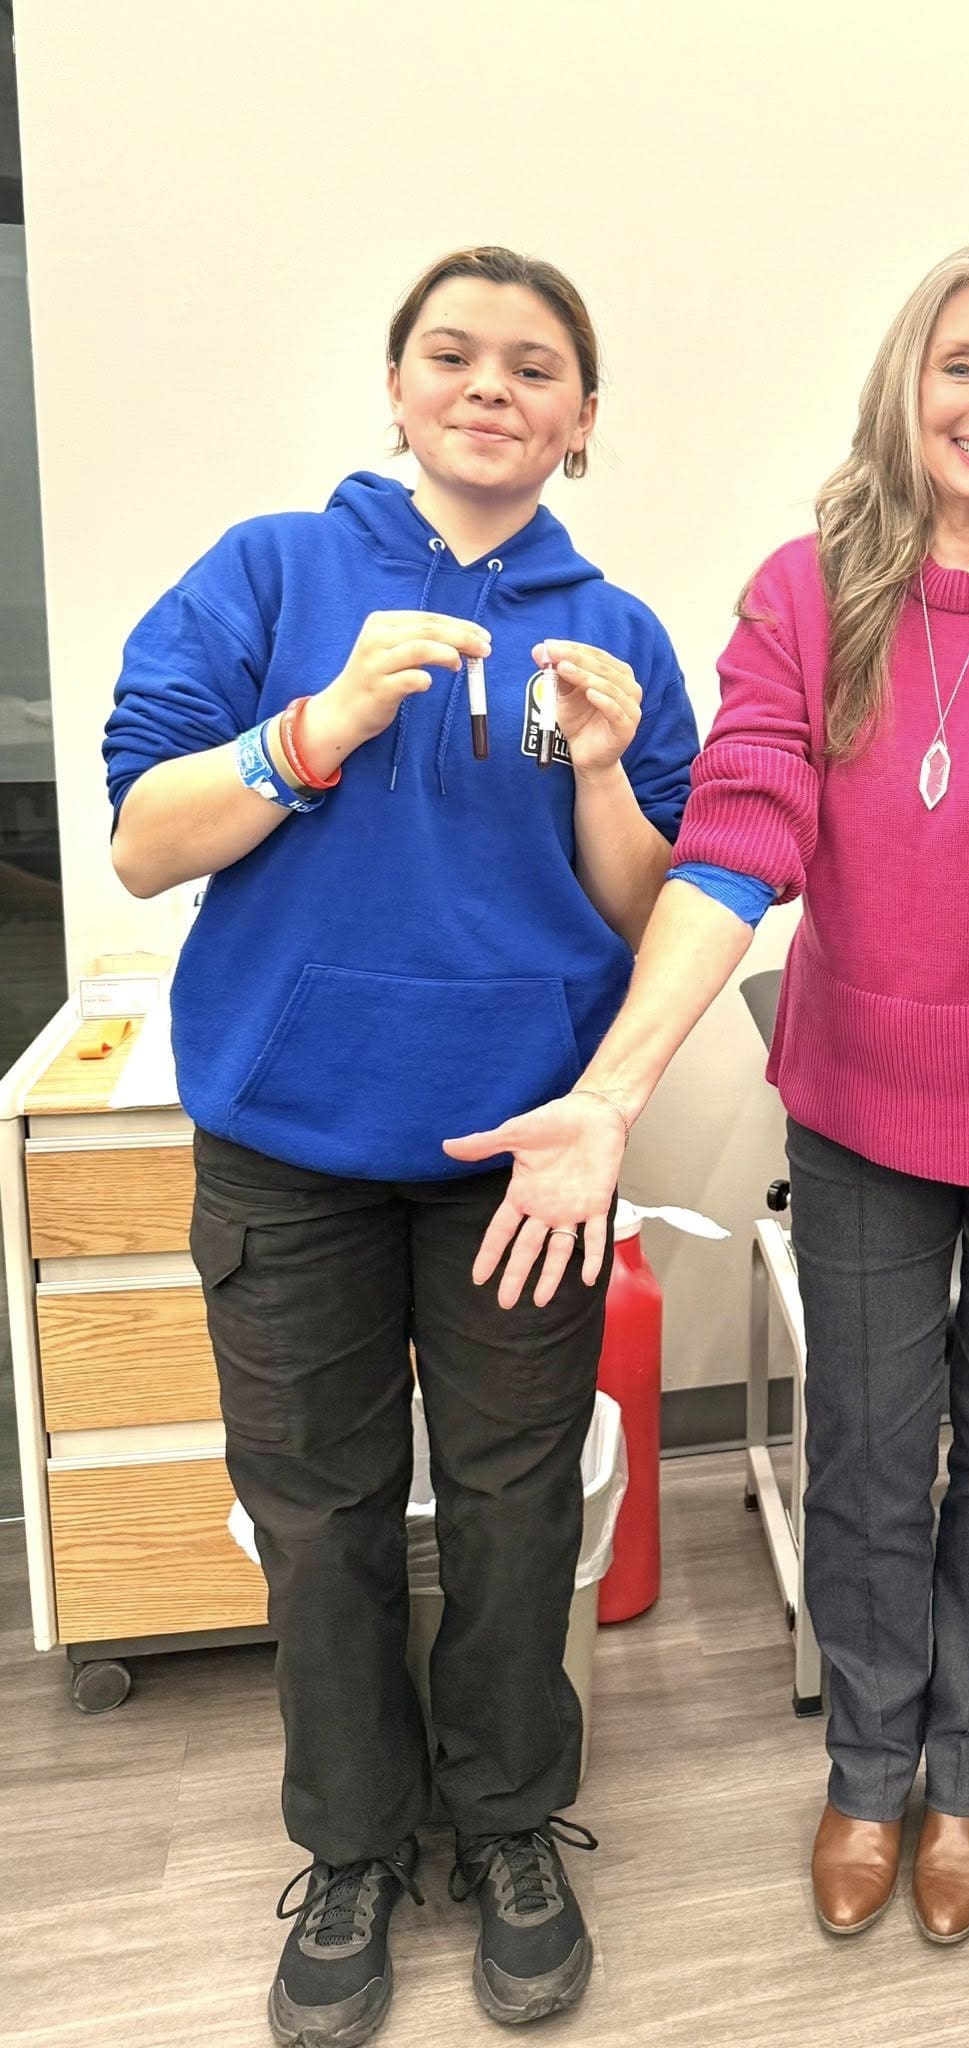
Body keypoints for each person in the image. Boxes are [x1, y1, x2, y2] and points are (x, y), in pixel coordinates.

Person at [443, 237, 969, 1949]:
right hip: (857, 1113)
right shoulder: (806, 591)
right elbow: (739, 838)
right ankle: (866, 1764)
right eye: (962, 365)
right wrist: (614, 1088)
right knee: (862, 1455)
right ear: (906, 387)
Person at [102, 245, 700, 2047]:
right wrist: (318, 728)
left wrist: (601, 771)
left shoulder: (618, 631)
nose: (491, 385)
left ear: (582, 420)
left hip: (521, 1161)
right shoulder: (271, 573)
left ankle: (510, 1824)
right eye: (453, 354)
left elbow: (655, 913)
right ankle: (355, 1847)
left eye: (535, 365)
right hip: (288, 1150)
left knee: (519, 1510)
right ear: (396, 387)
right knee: (320, 1516)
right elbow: (141, 840)